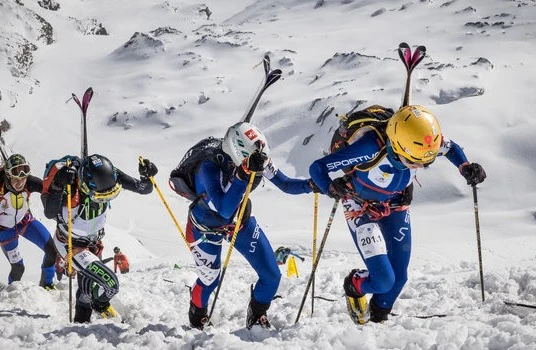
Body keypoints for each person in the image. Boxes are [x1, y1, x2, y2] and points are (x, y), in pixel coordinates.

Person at [309, 105, 486, 324]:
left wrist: (465, 166)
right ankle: (354, 285)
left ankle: (377, 319)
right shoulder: (368, 149)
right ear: (398, 148)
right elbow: (317, 168)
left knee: (400, 278)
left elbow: (450, 148)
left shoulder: (424, 141)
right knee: (383, 280)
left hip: (396, 204)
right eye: (414, 162)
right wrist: (330, 188)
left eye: (425, 163)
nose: (419, 166)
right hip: (360, 207)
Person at [169, 122, 318, 330]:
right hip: (204, 227)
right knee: (210, 279)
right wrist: (242, 175)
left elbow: (285, 183)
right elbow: (224, 208)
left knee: (271, 275)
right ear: (238, 153)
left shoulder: (257, 159)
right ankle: (197, 316)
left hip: (240, 222)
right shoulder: (208, 168)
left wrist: (312, 184)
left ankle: (257, 315)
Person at [41, 154, 157, 323]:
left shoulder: (110, 175)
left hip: (94, 242)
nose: (105, 200)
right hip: (70, 244)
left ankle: (80, 327)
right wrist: (58, 184)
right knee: (110, 283)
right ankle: (100, 304)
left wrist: (148, 175)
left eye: (110, 196)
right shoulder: (70, 184)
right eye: (101, 197)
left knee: (86, 290)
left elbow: (143, 188)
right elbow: (50, 212)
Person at [0, 154, 57, 290]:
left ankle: (46, 284)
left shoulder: (30, 182)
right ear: (8, 176)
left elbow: (50, 188)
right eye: (15, 179)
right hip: (4, 229)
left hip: (24, 221)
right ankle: (12, 293)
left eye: (23, 178)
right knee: (18, 267)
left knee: (51, 250)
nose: (20, 182)